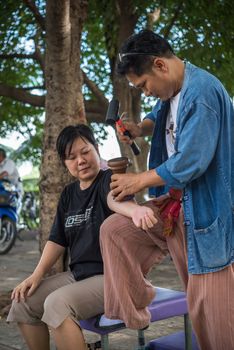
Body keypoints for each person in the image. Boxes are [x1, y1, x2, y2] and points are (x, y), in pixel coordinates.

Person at [99, 29, 234, 350]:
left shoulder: (201, 93)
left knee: (212, 319)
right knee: (116, 231)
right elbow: (159, 114)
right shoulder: (173, 90)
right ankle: (137, 307)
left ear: (160, 65)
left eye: (143, 85)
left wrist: (138, 180)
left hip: (206, 215)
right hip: (175, 208)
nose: (144, 92)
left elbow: (191, 161)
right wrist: (139, 128)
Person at [7, 124, 157, 350]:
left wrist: (135, 210)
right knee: (22, 303)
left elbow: (115, 200)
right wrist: (36, 276)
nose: (80, 160)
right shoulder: (68, 194)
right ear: (65, 163)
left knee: (57, 304)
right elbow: (57, 240)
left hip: (114, 278)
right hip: (79, 275)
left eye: (85, 152)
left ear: (97, 149)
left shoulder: (110, 179)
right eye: (71, 157)